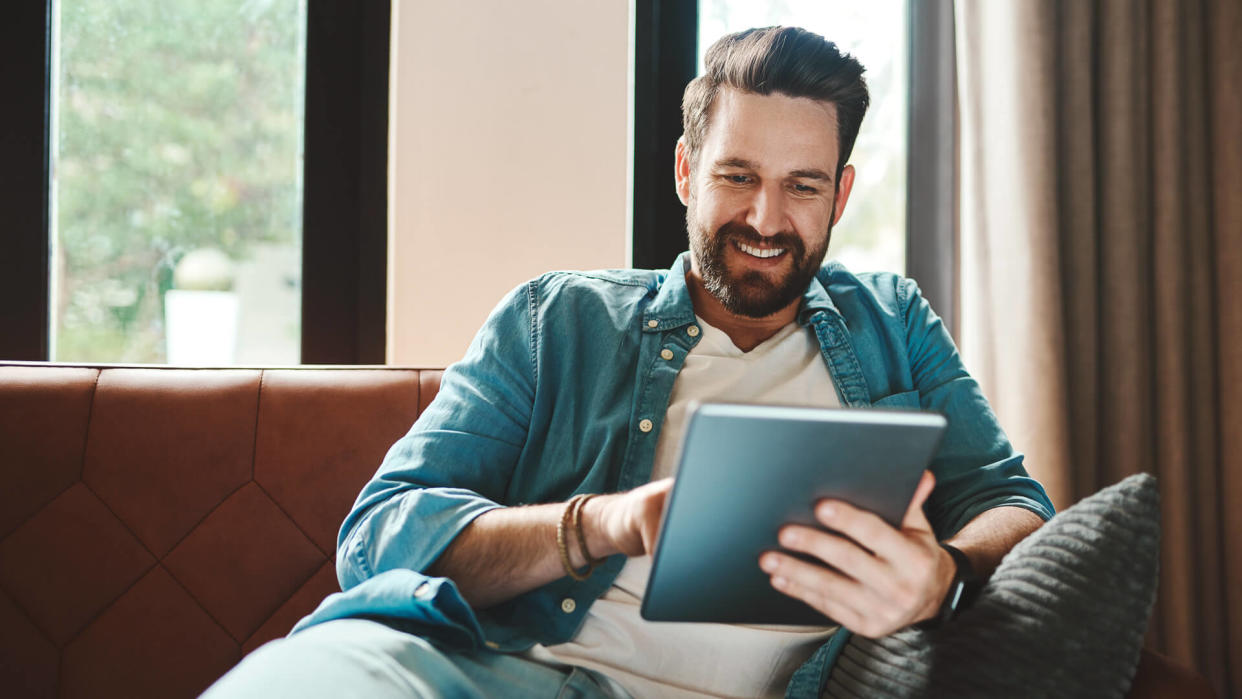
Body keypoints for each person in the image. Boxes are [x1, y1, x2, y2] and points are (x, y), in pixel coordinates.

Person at [204, 26, 1054, 698]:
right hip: (510, 673)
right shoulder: (558, 317)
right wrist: (605, 523)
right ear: (686, 171)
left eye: (802, 185)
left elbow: (1015, 504)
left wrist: (942, 579)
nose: (766, 216)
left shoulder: (894, 322)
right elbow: (380, 534)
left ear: (841, 194)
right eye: (737, 175)